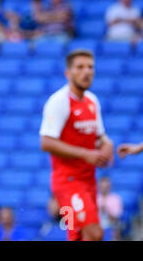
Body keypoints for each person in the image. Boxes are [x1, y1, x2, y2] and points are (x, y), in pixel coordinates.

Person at [40, 49, 114, 241]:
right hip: (68, 182)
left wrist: (107, 145)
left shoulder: (92, 101)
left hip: (89, 181)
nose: (86, 72)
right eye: (80, 67)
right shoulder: (59, 101)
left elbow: (100, 136)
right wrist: (85, 154)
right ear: (68, 73)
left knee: (79, 236)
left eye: (90, 67)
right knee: (95, 233)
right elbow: (46, 142)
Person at [97, 176, 123, 240]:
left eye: (106, 186)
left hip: (110, 226)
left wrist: (106, 210)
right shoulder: (94, 198)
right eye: (102, 186)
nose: (104, 188)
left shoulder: (115, 199)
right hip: (96, 226)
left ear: (109, 186)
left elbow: (116, 219)